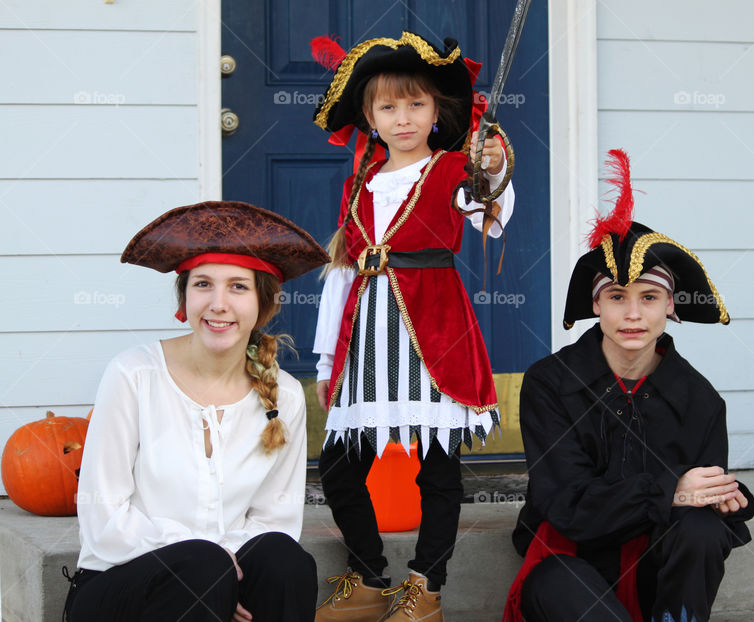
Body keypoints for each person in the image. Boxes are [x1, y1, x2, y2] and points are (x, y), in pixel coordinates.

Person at [309, 31, 515, 621]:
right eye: (388, 107)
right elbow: (342, 277)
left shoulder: (455, 168)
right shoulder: (359, 186)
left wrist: (492, 168)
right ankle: (370, 577)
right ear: (370, 117)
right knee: (341, 471)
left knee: (437, 469)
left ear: (436, 112)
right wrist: (328, 361)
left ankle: (425, 588)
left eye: (416, 105)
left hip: (434, 338)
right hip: (366, 342)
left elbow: (492, 208)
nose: (403, 118)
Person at [504, 151, 754, 622]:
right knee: (569, 590)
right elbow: (566, 504)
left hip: (659, 569)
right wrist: (669, 489)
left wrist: (720, 495)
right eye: (617, 297)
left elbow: (699, 511)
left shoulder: (700, 400)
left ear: (671, 307)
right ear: (596, 305)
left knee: (701, 528)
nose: (633, 314)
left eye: (649, 297)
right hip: (569, 563)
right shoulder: (550, 384)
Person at [63, 201, 329, 622]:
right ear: (183, 299)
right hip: (122, 586)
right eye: (203, 284)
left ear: (263, 303)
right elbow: (104, 521)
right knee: (202, 568)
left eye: (238, 287)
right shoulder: (134, 375)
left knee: (284, 560)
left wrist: (227, 572)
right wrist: (215, 559)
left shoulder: (285, 396)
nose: (218, 304)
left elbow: (274, 520)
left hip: (220, 579)